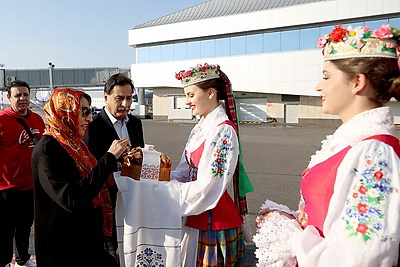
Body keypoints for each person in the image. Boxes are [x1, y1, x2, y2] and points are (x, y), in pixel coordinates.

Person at [254, 24, 400, 266]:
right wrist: (293, 219)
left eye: (326, 76)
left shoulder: (374, 152)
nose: (318, 86)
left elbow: (359, 257)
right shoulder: (353, 142)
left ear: (357, 82)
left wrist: (291, 236)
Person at [31, 88, 130, 267]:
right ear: (65, 112)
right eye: (83, 111)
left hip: (83, 239)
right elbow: (71, 198)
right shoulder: (48, 149)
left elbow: (90, 183)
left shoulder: (75, 145)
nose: (90, 118)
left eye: (90, 111)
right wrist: (108, 158)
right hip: (62, 246)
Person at [172, 63, 254, 266]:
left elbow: (211, 184)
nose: (187, 101)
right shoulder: (200, 127)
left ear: (210, 93)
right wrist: (158, 178)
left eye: (190, 95)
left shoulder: (223, 130)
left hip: (212, 216)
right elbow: (184, 171)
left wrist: (170, 195)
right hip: (196, 211)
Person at [82, 73, 144, 266]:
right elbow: (88, 166)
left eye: (129, 98)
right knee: (109, 252)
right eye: (119, 98)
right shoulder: (92, 126)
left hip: (132, 196)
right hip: (105, 200)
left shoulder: (135, 123)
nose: (125, 103)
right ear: (106, 96)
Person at [0, 80, 45, 267]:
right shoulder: (2, 120)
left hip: (31, 185)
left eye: (25, 94)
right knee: (5, 230)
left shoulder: (37, 120)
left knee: (25, 226)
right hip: (7, 186)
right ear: (9, 97)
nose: (22, 99)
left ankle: (22, 259)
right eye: (17, 95)